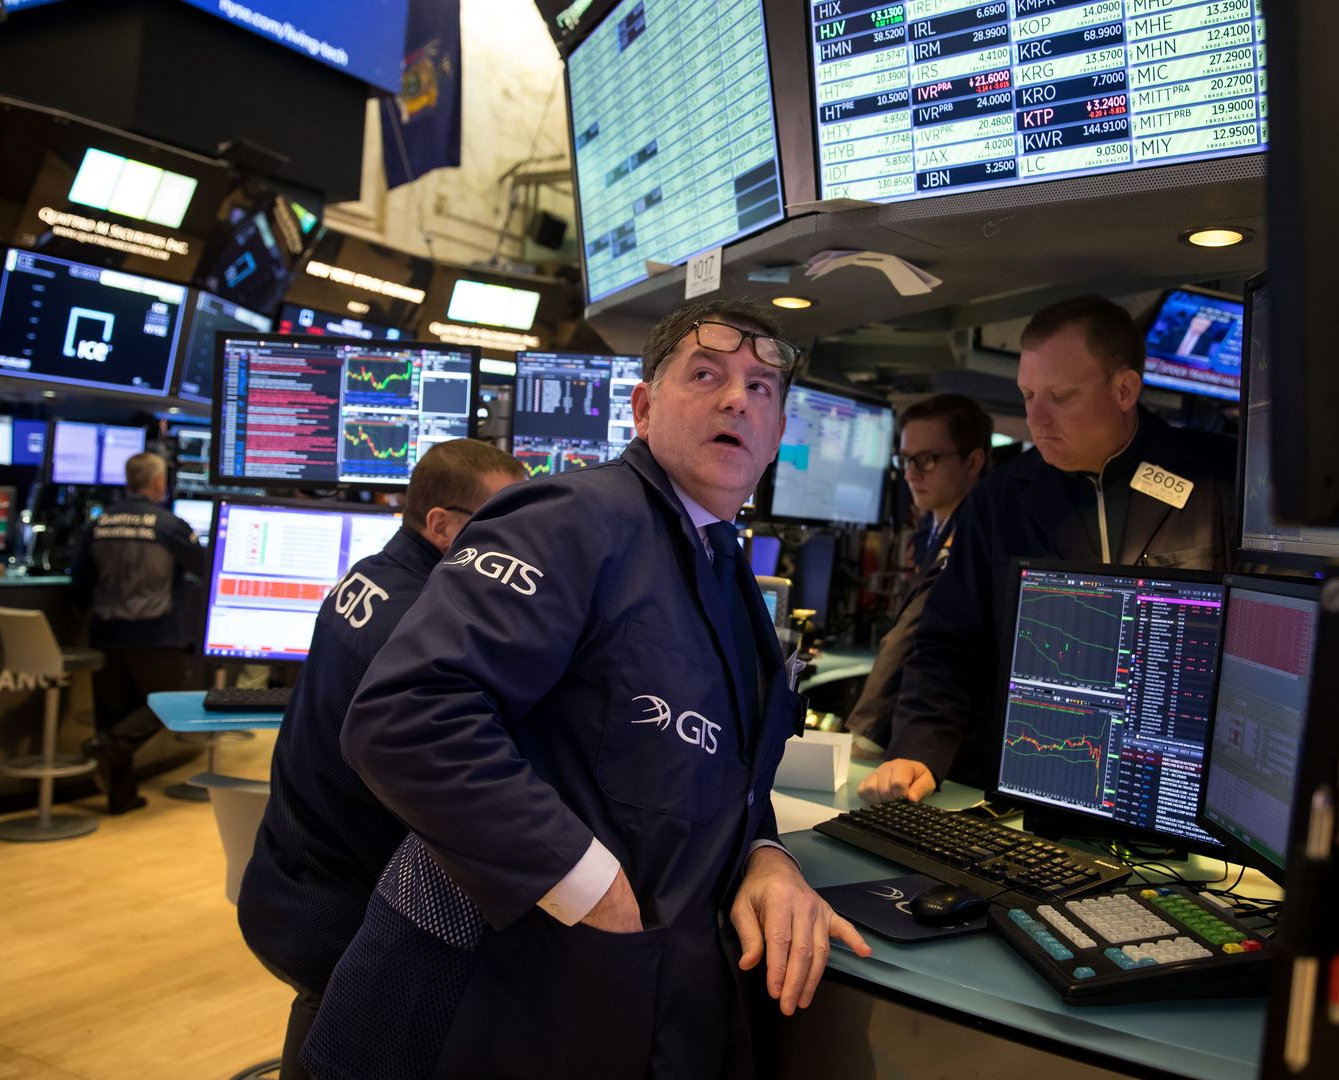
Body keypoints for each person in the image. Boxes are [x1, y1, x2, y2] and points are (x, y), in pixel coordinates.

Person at [309, 299, 869, 1080]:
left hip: (629, 1007)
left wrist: (766, 856)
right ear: (643, 407)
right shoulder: (568, 519)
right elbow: (407, 717)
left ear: (776, 436)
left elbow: (721, 774)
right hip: (503, 1007)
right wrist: (592, 890)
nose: (737, 398)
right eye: (705, 374)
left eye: (761, 388)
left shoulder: (726, 570)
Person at [859, 295, 1236, 804]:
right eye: (1028, 393)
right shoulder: (999, 501)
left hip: (1179, 783)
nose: (1035, 418)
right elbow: (950, 646)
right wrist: (918, 750)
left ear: (1125, 390)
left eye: (1060, 396)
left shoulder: (1218, 477)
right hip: (1039, 776)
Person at [236, 439, 526, 1080]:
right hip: (335, 912)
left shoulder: (372, 573)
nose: (521, 542)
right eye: (503, 522)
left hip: (290, 879)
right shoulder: (419, 624)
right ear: (442, 525)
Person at [845, 394, 991, 756]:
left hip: (951, 746)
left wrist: (864, 736)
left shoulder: (976, 536)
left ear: (973, 461)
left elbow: (912, 635)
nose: (910, 474)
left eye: (926, 460)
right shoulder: (934, 527)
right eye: (906, 459)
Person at [71, 451, 208, 814]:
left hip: (106, 632)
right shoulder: (167, 525)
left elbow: (79, 583)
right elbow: (204, 566)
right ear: (159, 483)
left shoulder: (98, 524)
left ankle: (121, 796)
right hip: (156, 632)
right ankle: (108, 745)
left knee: (114, 712)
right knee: (175, 705)